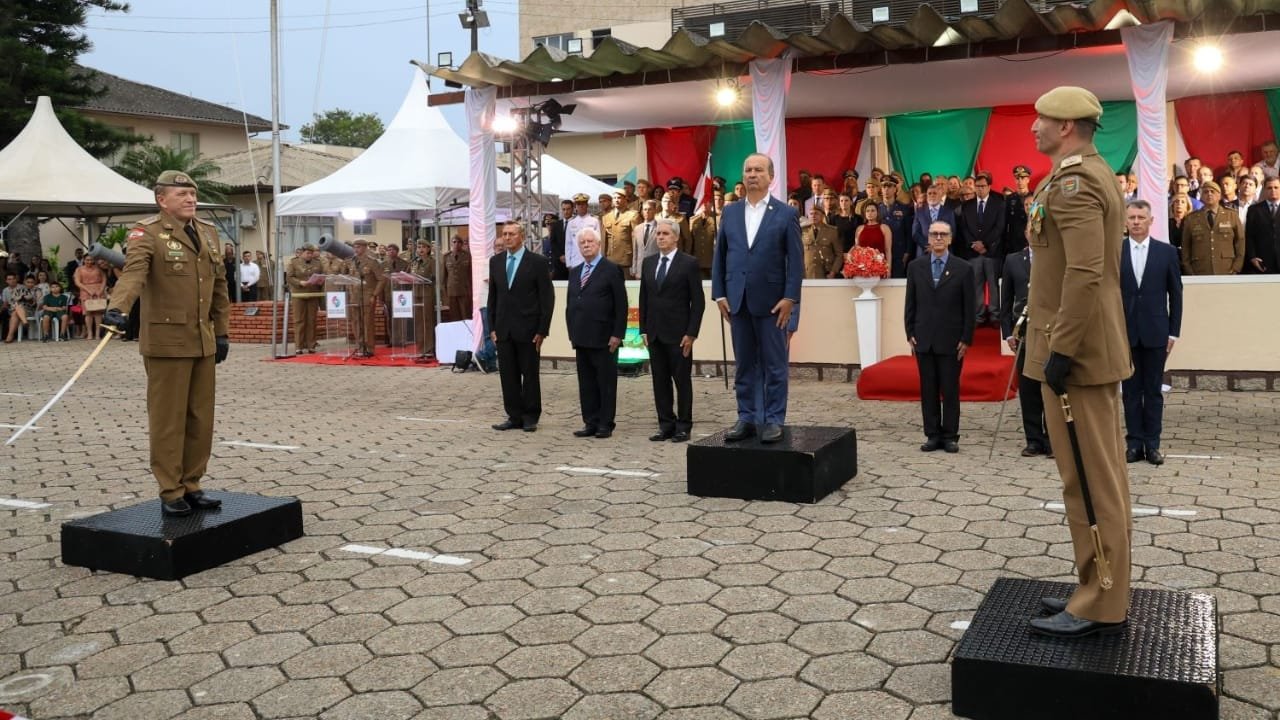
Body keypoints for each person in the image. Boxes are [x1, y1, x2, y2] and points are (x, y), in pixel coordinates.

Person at [1024, 86, 1133, 639]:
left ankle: (1101, 600)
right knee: (1087, 477)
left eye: (1041, 119)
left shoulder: (1074, 183)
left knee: (1092, 482)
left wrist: (1061, 349)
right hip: (1076, 347)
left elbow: (1085, 273)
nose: (1034, 127)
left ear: (1067, 125)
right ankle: (1093, 581)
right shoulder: (1080, 174)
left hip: (1079, 354)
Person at [100, 170, 231, 518]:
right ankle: (170, 489)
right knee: (168, 419)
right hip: (167, 342)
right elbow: (134, 273)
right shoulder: (148, 233)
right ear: (162, 199)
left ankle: (192, 483)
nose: (191, 199)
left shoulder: (208, 232)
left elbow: (219, 285)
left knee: (200, 418)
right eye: (182, 194)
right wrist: (118, 309)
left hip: (202, 339)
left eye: (193, 193)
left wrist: (221, 331)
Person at [711, 153, 804, 444]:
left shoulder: (785, 214)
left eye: (758, 170)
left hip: (773, 303)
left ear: (770, 177)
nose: (752, 174)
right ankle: (747, 417)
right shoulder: (731, 212)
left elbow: (796, 261)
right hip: (737, 301)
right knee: (744, 364)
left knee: (775, 365)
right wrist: (719, 293)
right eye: (748, 169)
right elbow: (721, 255)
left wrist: (790, 298)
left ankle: (774, 419)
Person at [1120, 200, 1182, 467]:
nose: (1135, 222)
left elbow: (1176, 295)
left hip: (1157, 333)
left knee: (1153, 391)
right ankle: (1134, 444)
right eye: (1131, 217)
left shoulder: (1166, 252)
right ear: (1125, 221)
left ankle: (1152, 445)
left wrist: (1174, 333)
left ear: (1150, 221)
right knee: (1131, 391)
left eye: (1140, 217)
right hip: (1125, 333)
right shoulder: (1115, 251)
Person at [905, 222, 975, 454]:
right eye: (934, 234)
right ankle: (932, 434)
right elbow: (910, 303)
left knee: (950, 389)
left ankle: (950, 435)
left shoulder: (963, 268)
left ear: (950, 239)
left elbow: (969, 307)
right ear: (928, 238)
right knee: (928, 389)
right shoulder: (916, 267)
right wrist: (910, 332)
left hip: (951, 340)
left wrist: (966, 338)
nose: (938, 238)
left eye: (942, 234)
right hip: (924, 338)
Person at [641, 218, 706, 443]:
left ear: (676, 237)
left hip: (679, 335)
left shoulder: (688, 263)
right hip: (655, 333)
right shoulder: (648, 263)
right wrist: (643, 329)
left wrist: (691, 333)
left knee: (681, 381)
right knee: (660, 381)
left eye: (665, 234)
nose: (660, 237)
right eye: (658, 233)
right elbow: (644, 298)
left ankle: (683, 425)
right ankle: (665, 424)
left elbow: (698, 302)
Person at [489, 223, 554, 432]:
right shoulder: (496, 262)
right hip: (503, 329)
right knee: (508, 375)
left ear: (522, 237)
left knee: (530, 373)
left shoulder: (537, 262)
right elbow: (493, 297)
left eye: (511, 234)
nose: (507, 238)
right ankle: (513, 415)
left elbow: (547, 298)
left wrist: (542, 329)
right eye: (504, 234)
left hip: (528, 329)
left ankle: (530, 416)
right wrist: (492, 326)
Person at [565, 228, 627, 439]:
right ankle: (590, 421)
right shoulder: (575, 271)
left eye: (590, 241)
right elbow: (571, 303)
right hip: (581, 337)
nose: (586, 245)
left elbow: (621, 305)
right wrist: (571, 332)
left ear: (599, 244)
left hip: (604, 337)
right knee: (587, 383)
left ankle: (605, 423)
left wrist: (618, 334)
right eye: (582, 242)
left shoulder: (611, 269)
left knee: (605, 383)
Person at [999, 244, 1051, 457]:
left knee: (1049, 386)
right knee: (1028, 387)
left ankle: (1052, 439)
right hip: (1024, 332)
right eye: (1031, 228)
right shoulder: (1013, 259)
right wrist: (1008, 333)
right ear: (1027, 233)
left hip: (1049, 332)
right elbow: (1006, 299)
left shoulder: (1054, 255)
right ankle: (1033, 440)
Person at [958, 172, 1007, 323]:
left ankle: (994, 315)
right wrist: (974, 244)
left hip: (992, 252)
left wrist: (984, 244)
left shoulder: (998, 203)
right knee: (976, 285)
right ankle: (978, 316)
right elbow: (964, 228)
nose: (980, 189)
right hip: (973, 252)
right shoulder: (967, 205)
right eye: (977, 186)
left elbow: (999, 228)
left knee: (993, 285)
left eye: (983, 186)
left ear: (989, 186)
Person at [1181, 181, 1245, 275]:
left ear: (1219, 196)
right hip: (1200, 270)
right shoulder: (1191, 218)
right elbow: (1186, 247)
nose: (1209, 194)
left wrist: (1236, 267)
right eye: (1206, 192)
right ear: (1202, 196)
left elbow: (1240, 242)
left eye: (1212, 191)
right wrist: (1189, 270)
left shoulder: (1231, 216)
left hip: (1226, 269)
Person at [344, 238, 385, 356]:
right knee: (356, 322)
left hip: (367, 296)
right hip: (355, 296)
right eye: (354, 247)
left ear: (365, 247)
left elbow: (381, 280)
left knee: (367, 323)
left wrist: (374, 294)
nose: (356, 249)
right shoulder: (351, 261)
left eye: (359, 247)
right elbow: (349, 278)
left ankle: (369, 348)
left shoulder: (372, 262)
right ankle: (360, 346)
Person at [286, 243, 324, 354]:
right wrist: (300, 282)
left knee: (311, 320)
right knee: (299, 320)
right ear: (302, 253)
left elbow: (322, 276)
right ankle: (299, 346)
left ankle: (311, 345)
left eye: (311, 253)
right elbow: (289, 277)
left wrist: (320, 281)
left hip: (313, 294)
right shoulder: (294, 262)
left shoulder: (318, 263)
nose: (310, 255)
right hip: (299, 294)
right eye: (308, 253)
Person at [911, 183, 957, 261]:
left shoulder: (949, 212)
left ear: (940, 196)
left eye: (935, 193)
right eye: (930, 193)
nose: (932, 195)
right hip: (924, 253)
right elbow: (915, 233)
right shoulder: (919, 212)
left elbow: (952, 232)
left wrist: (938, 246)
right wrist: (928, 245)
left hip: (944, 254)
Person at [409, 239, 437, 359]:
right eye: (419, 247)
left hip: (427, 294)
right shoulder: (414, 262)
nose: (420, 249)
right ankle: (420, 349)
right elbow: (408, 275)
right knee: (419, 323)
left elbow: (435, 278)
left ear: (428, 249)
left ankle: (429, 348)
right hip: (416, 294)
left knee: (427, 322)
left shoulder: (432, 262)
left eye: (423, 247)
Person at [1245, 177, 1280, 274]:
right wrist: (1252, 257)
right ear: (1264, 190)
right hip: (1263, 262)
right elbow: (1249, 236)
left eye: (1276, 187)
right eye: (1269, 188)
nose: (1273, 190)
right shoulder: (1254, 210)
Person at [381, 243, 411, 347]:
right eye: (389, 250)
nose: (391, 251)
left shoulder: (404, 263)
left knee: (401, 318)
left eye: (393, 250)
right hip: (388, 294)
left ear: (397, 251)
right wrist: (381, 298)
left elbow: (408, 279)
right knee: (389, 319)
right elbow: (381, 282)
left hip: (401, 295)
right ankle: (392, 340)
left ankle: (402, 340)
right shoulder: (383, 264)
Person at [802, 206, 843, 279]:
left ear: (823, 216)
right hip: (807, 273)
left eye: (816, 214)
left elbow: (839, 254)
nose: (813, 216)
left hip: (826, 273)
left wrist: (833, 272)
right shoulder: (803, 231)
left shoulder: (832, 231)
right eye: (811, 214)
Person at [564, 193, 599, 271]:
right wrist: (568, 263)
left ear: (587, 205)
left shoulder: (594, 221)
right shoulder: (571, 223)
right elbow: (568, 244)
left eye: (583, 204)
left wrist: (598, 260)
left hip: (591, 260)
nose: (581, 206)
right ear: (575, 207)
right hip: (575, 261)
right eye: (578, 204)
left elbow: (598, 242)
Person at [441, 235, 473, 321]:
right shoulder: (446, 257)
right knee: (454, 316)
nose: (456, 244)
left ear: (462, 244)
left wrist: (470, 290)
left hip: (464, 290)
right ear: (451, 243)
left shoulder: (467, 256)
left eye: (459, 242)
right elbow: (443, 277)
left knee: (466, 315)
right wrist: (444, 295)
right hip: (451, 291)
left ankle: (467, 334)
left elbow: (470, 275)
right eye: (454, 242)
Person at [688, 194, 719, 279]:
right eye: (702, 202)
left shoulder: (717, 219)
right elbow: (689, 241)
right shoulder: (693, 220)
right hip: (696, 259)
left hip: (711, 260)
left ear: (712, 204)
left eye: (708, 202)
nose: (705, 204)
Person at [4, 275, 39, 342]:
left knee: (15, 313)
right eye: (28, 282)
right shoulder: (18, 290)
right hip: (18, 310)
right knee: (16, 310)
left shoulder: (37, 290)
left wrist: (30, 300)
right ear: (24, 282)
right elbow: (12, 301)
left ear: (34, 283)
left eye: (32, 282)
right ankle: (25, 322)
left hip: (31, 311)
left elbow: (38, 303)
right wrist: (20, 298)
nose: (30, 284)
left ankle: (10, 336)